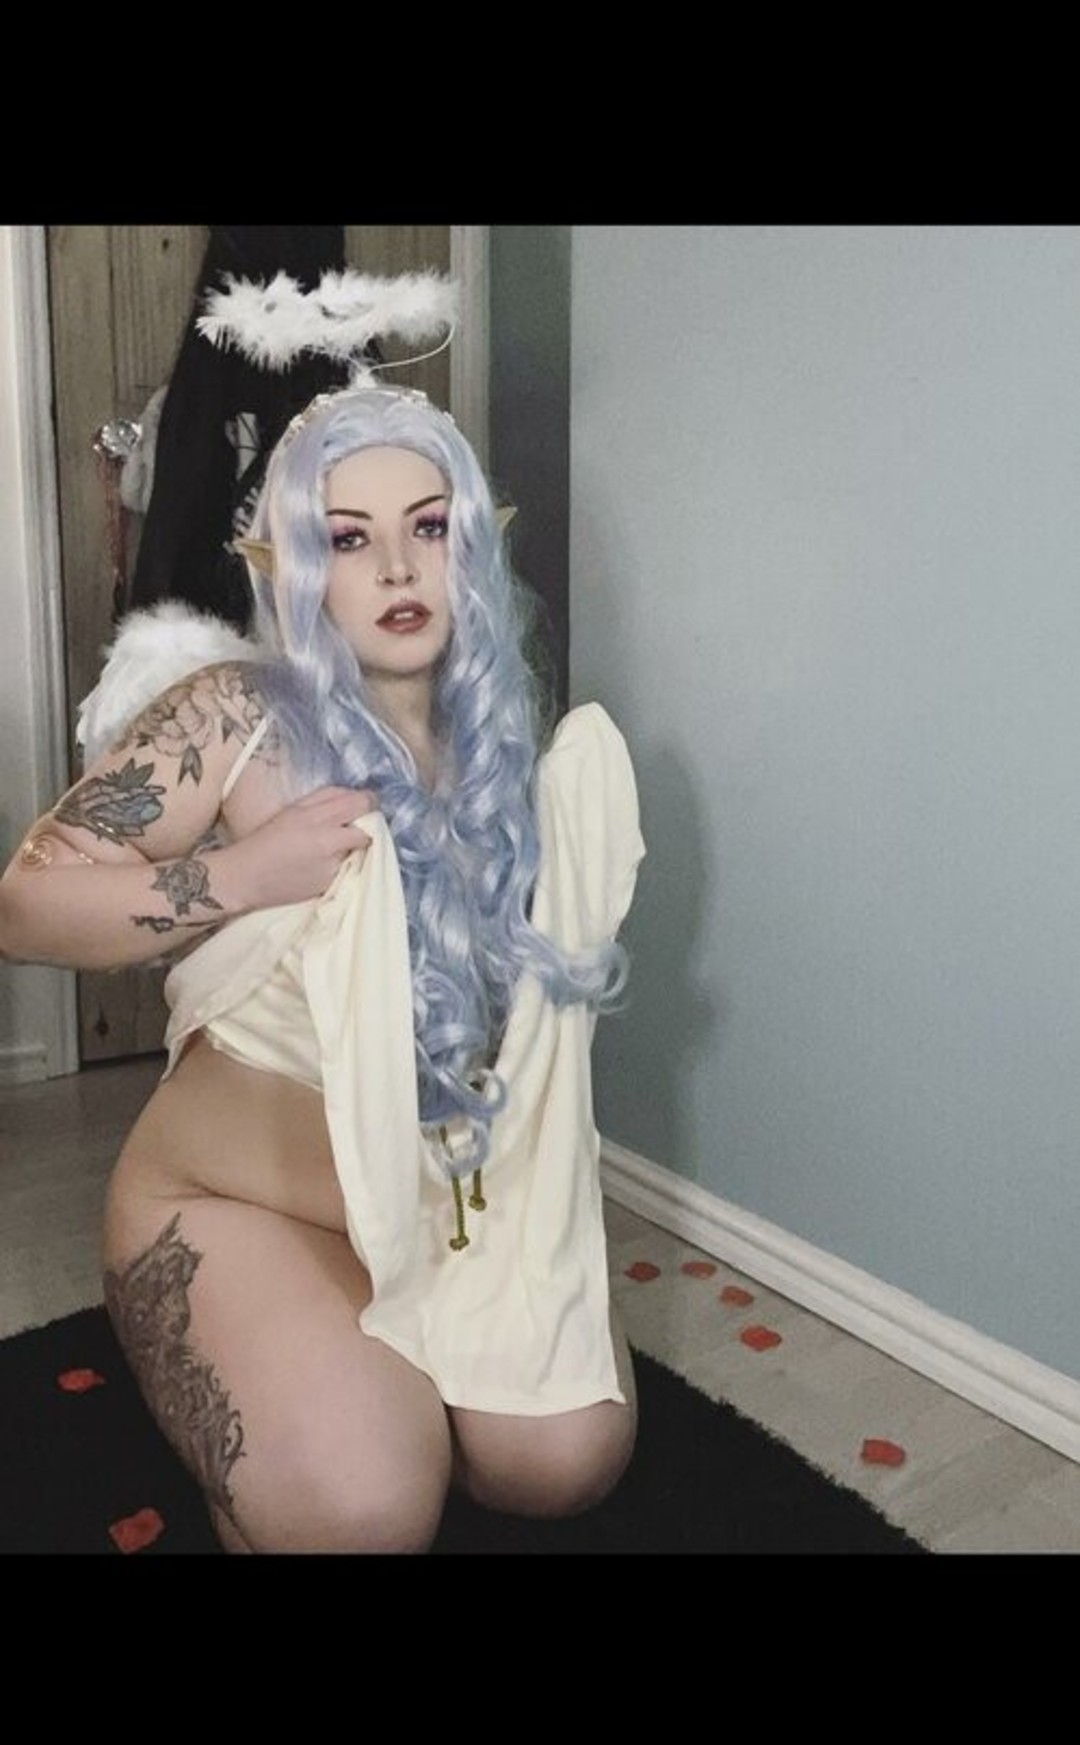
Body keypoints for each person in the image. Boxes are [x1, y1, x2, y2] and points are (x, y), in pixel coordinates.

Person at [0, 360, 645, 1555]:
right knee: (366, 1506)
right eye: (349, 538)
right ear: (296, 567)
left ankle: (376, 1379)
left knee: (563, 1460)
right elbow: (26, 907)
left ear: (469, 547)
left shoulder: (511, 752)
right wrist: (244, 874)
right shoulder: (234, 716)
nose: (397, 567)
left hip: (435, 1204)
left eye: (428, 527)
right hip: (236, 1201)